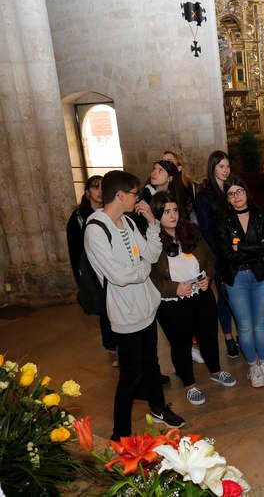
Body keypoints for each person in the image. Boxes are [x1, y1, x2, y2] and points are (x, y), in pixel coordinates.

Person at [84, 170, 185, 439]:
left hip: (145, 305)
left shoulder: (127, 222)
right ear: (119, 195)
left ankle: (159, 408)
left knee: (151, 363)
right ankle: (121, 433)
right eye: (134, 194)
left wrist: (152, 222)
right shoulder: (96, 229)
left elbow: (151, 255)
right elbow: (119, 275)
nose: (137, 198)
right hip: (125, 311)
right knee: (130, 374)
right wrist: (141, 270)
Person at [149, 192, 237, 405]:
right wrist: (174, 288)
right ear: (157, 214)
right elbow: (151, 276)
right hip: (173, 302)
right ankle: (189, 383)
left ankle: (215, 370)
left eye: (175, 210)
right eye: (166, 211)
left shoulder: (191, 230)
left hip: (201, 293)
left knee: (208, 335)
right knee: (180, 343)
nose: (172, 215)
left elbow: (209, 257)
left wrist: (208, 276)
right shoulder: (151, 240)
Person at [216, 177, 264, 388]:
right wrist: (255, 247)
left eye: (239, 191)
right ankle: (253, 366)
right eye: (231, 193)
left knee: (260, 325)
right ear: (228, 198)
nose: (236, 196)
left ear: (246, 193)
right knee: (244, 326)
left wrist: (241, 247)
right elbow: (226, 255)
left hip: (261, 276)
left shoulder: (260, 215)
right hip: (236, 278)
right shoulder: (223, 221)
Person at [195, 151, 240, 359]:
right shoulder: (205, 195)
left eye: (228, 166)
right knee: (224, 297)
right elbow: (205, 229)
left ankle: (240, 333)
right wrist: (219, 255)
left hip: (237, 252)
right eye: (221, 166)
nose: (226, 170)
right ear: (212, 168)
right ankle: (229, 337)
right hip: (218, 254)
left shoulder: (233, 189)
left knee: (237, 296)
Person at [67, 175, 116, 357]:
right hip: (91, 269)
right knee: (104, 307)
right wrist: (80, 278)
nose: (100, 191)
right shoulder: (78, 217)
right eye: (95, 187)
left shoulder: (110, 212)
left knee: (114, 304)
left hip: (109, 265)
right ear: (87, 192)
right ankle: (112, 346)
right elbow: (74, 251)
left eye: (103, 187)